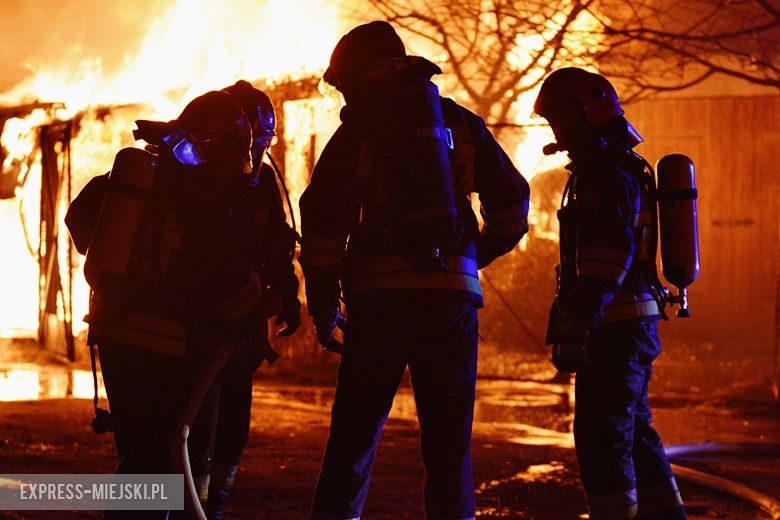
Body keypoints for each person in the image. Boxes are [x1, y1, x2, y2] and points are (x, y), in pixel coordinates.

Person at [299, 21, 530, 520]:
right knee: (448, 453)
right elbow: (512, 204)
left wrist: (322, 304)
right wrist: (470, 255)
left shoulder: (357, 132)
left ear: (360, 76)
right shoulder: (461, 124)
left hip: (378, 308)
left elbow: (320, 225)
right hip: (451, 306)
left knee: (353, 442)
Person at [66, 90, 263, 519]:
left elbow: (79, 218)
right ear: (215, 147)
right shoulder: (205, 197)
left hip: (115, 337)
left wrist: (131, 265)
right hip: (170, 350)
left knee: (141, 454)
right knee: (159, 462)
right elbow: (232, 287)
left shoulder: (144, 172)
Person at [535, 67, 687, 519]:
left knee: (604, 440)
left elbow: (604, 257)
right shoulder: (614, 165)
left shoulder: (604, 171)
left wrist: (579, 324)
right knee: (634, 435)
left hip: (613, 328)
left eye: (559, 118)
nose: (555, 129)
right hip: (628, 324)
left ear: (586, 112)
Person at [187, 80, 302, 520]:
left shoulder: (261, 182)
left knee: (231, 432)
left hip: (238, 340)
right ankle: (188, 510)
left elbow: (276, 243)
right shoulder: (196, 184)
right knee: (191, 435)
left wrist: (287, 294)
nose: (254, 154)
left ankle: (210, 508)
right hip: (199, 335)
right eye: (251, 142)